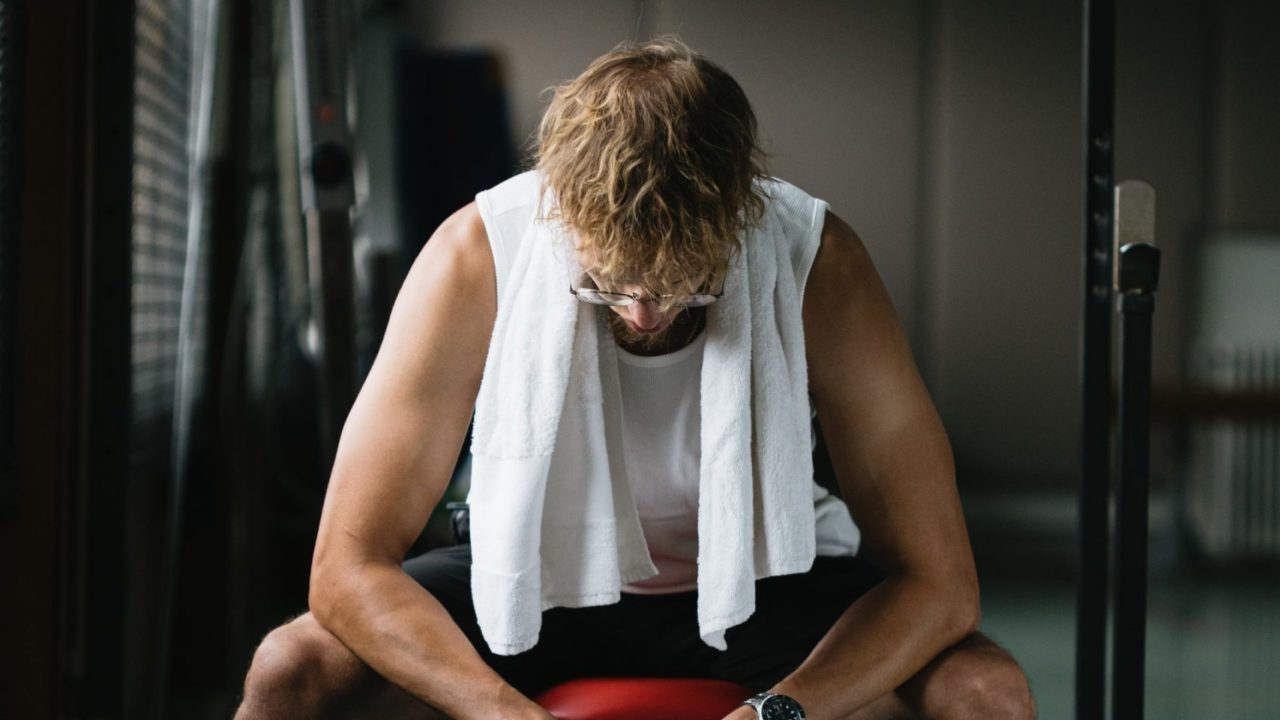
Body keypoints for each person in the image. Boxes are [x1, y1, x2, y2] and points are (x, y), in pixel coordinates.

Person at [235, 38, 1036, 720]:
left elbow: (940, 583)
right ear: (567, 220)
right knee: (287, 672)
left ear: (738, 221)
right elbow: (345, 568)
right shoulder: (477, 256)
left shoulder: (815, 262)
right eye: (611, 284)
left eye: (684, 284)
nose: (646, 314)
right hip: (536, 581)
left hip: (765, 580)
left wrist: (780, 712)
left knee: (986, 692)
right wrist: (501, 710)